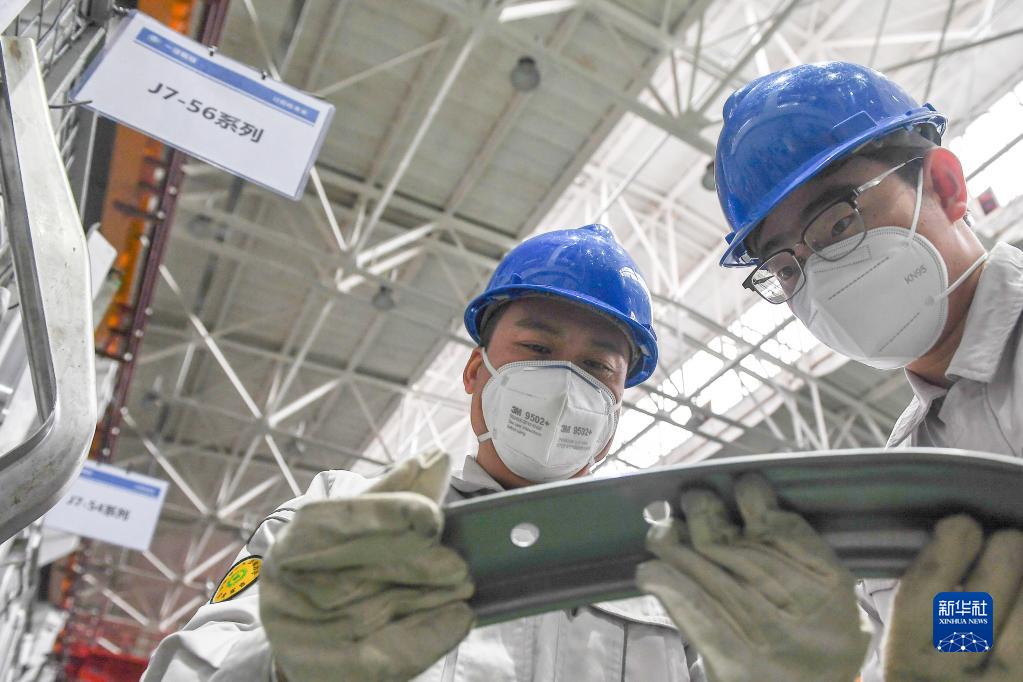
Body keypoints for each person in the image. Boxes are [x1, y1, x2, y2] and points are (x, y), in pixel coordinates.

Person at [143, 225, 714, 681]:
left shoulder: (671, 571)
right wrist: (284, 664)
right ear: (474, 372)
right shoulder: (339, 517)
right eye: (537, 347)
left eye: (596, 367)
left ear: (615, 411)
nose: (565, 386)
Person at [712, 61, 1023, 681]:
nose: (819, 278)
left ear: (945, 185)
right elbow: (967, 645)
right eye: (786, 268)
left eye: (838, 222)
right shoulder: (906, 486)